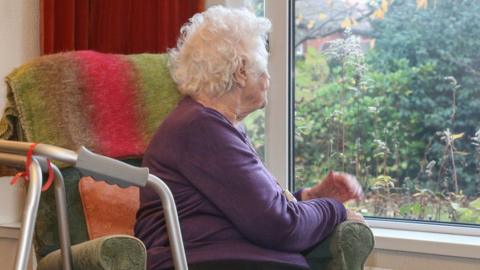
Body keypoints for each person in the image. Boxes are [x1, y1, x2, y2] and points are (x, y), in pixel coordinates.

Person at [134, 6, 365, 270]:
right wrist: (335, 209)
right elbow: (280, 226)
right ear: (241, 71)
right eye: (263, 65)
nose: (268, 78)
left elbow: (256, 208)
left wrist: (309, 197)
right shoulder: (201, 129)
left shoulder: (210, 125)